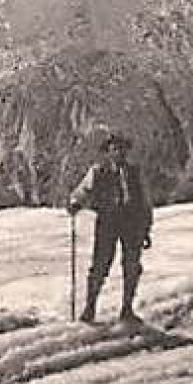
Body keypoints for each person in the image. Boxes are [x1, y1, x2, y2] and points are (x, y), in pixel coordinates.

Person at [68, 134, 153, 323]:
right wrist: (75, 203)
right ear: (108, 152)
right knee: (100, 265)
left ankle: (127, 309)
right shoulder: (98, 172)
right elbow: (83, 190)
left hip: (132, 223)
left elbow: (146, 202)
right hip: (107, 222)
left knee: (132, 266)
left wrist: (146, 227)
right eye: (115, 149)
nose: (119, 153)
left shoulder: (135, 173)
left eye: (122, 149)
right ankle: (90, 309)